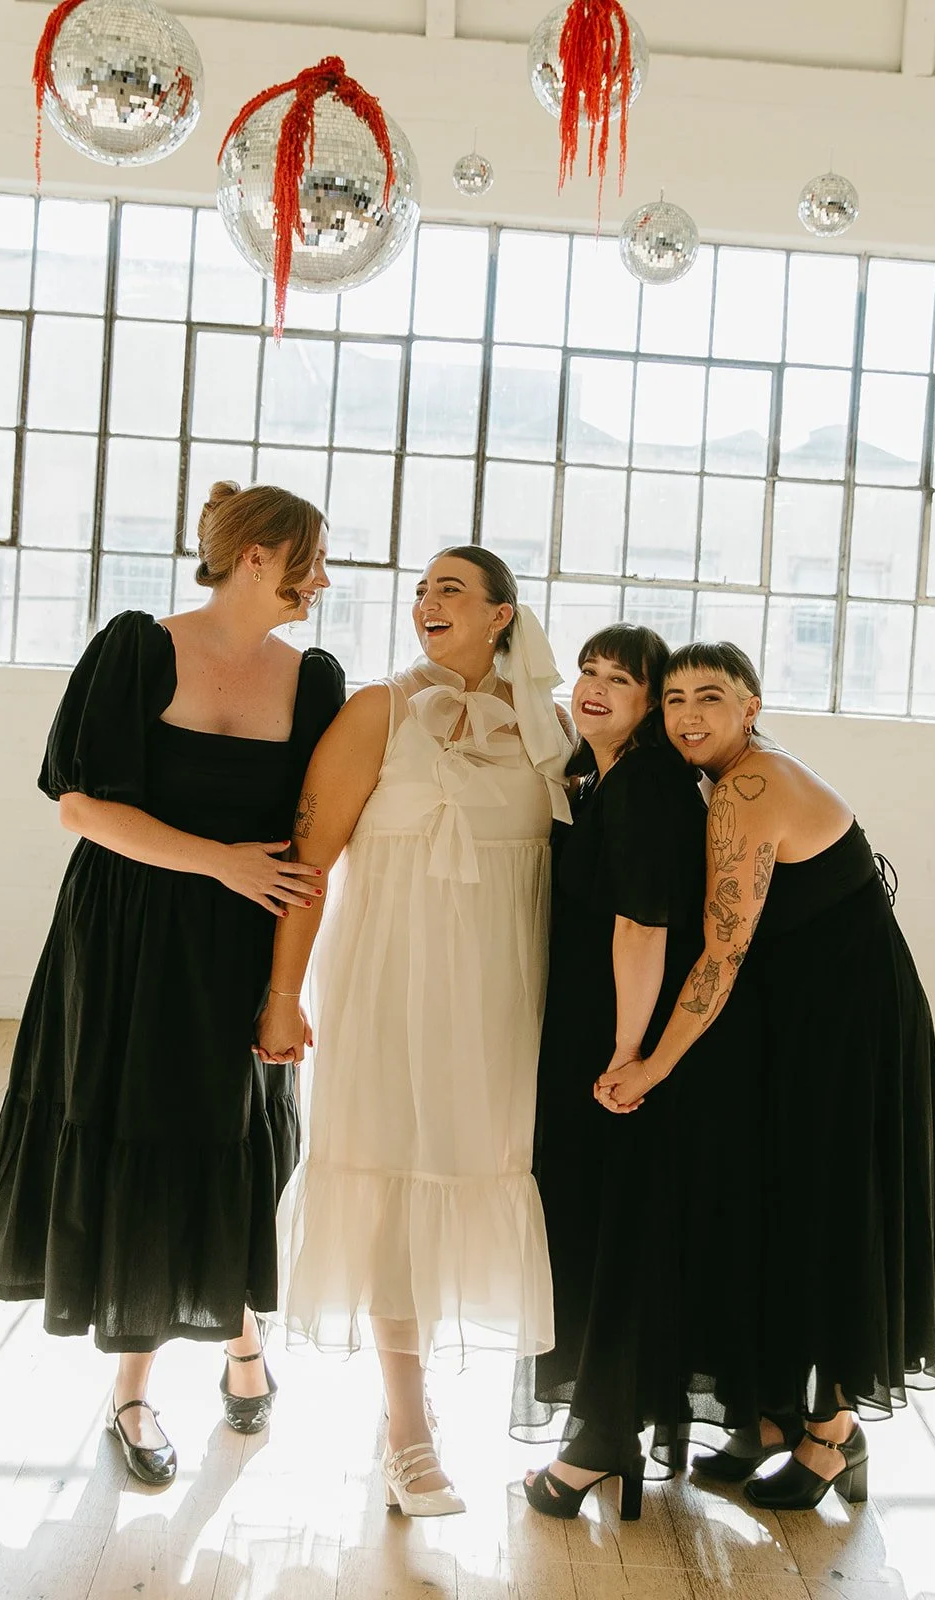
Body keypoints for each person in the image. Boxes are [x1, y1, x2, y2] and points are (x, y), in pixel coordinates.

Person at [0, 482, 344, 1486]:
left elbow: (313, 850)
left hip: (239, 952)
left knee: (230, 1150)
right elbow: (82, 810)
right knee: (139, 1142)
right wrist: (221, 860)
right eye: (313, 557)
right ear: (260, 556)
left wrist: (285, 986)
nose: (323, 579)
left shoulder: (314, 682)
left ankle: (237, 1336)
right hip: (123, 942)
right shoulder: (136, 647)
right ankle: (132, 1397)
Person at [587, 640, 935, 1512]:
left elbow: (721, 952)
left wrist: (647, 1065)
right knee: (779, 1206)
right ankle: (775, 1416)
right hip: (813, 1018)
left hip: (845, 1031)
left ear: (751, 706)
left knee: (824, 1213)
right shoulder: (730, 775)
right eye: (673, 700)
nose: (689, 717)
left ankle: (833, 1434)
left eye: (710, 697)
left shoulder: (747, 788)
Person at [254, 546, 573, 1517]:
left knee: (462, 1172)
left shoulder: (549, 728)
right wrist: (282, 992)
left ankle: (418, 1396)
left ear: (500, 616)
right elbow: (305, 862)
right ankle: (406, 1428)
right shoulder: (374, 712)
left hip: (496, 995)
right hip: (382, 983)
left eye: (450, 589)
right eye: (421, 588)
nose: (425, 601)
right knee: (390, 1179)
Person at [515, 623, 708, 1521]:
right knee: (602, 1227)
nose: (594, 689)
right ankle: (605, 1431)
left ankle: (599, 1440)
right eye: (587, 673)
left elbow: (643, 927)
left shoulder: (642, 788)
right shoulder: (610, 775)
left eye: (618, 680)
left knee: (605, 1232)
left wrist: (629, 1057)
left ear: (648, 701)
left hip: (612, 1044)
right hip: (597, 1034)